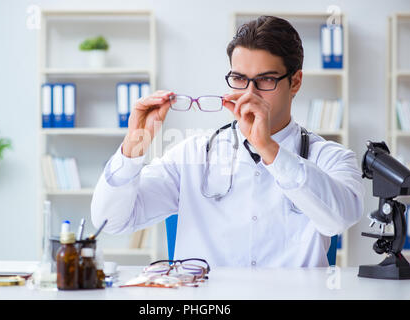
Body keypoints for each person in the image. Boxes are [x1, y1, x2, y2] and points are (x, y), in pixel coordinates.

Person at [91, 16, 364, 267]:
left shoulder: (331, 157)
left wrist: (268, 148)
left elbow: (339, 219)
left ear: (295, 83)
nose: (249, 93)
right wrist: (133, 146)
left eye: (266, 80)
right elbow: (110, 221)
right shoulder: (193, 154)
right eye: (239, 79)